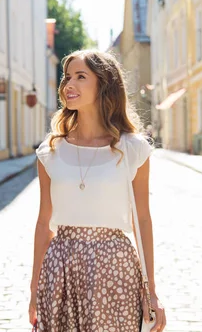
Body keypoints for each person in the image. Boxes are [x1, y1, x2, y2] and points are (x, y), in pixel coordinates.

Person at [28, 50, 166, 331]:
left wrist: (151, 291)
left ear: (104, 85)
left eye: (81, 77)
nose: (69, 84)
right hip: (60, 268)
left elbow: (142, 220)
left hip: (114, 267)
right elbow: (44, 223)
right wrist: (34, 289)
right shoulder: (50, 151)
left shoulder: (132, 148)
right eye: (67, 77)